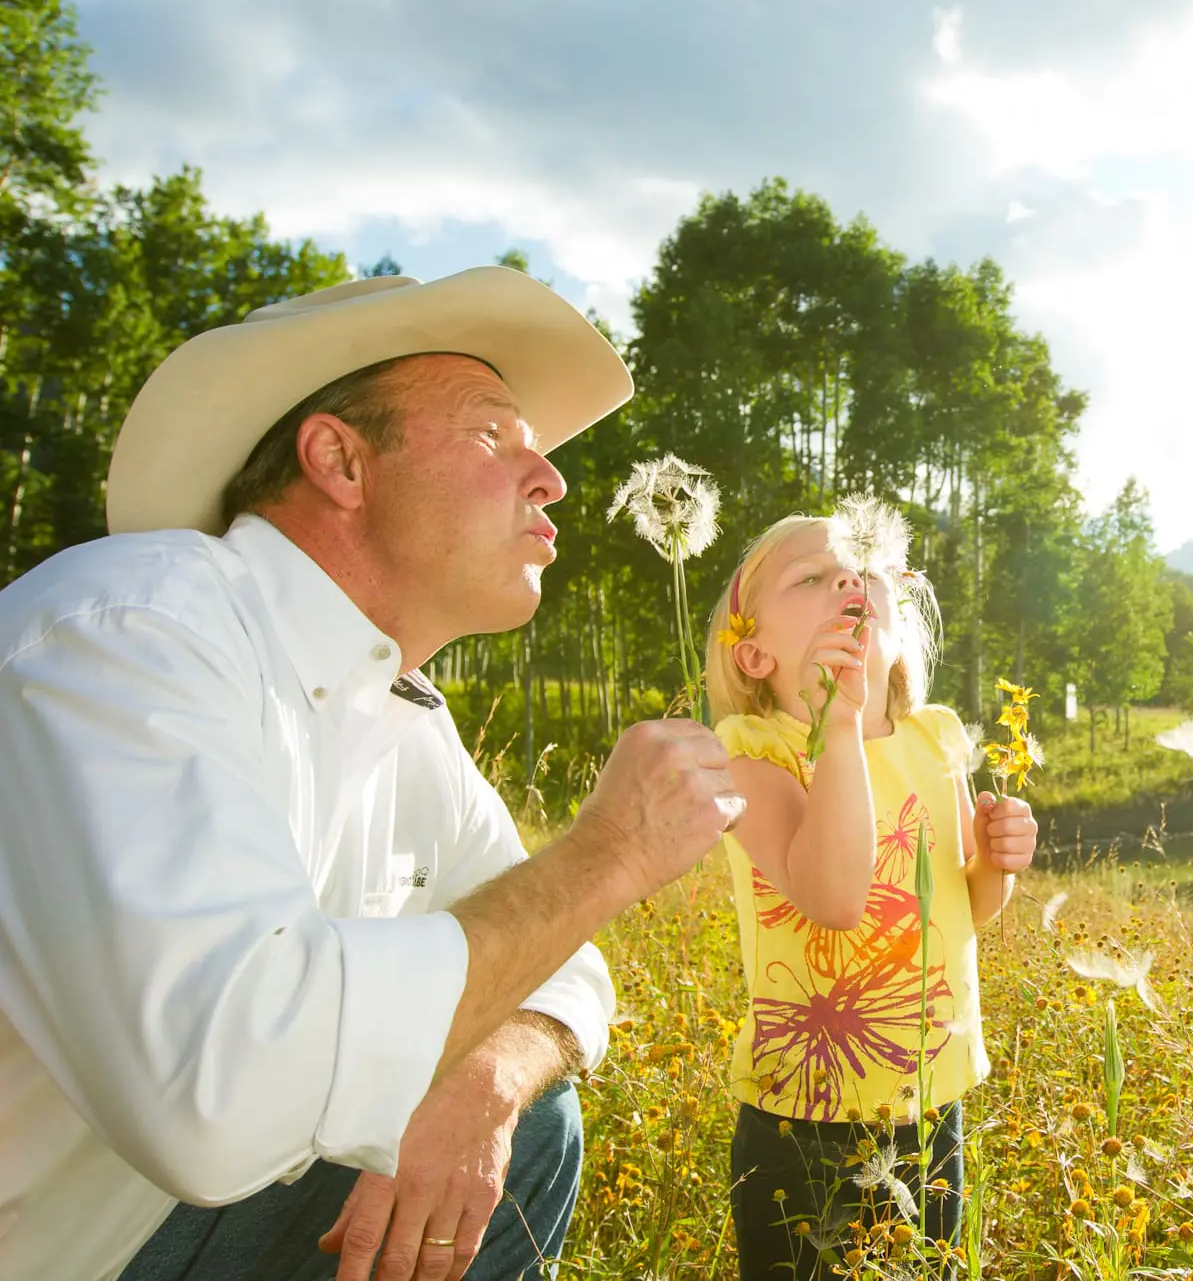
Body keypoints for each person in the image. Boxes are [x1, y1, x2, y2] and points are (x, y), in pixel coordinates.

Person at [0, 267, 741, 1281]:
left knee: (524, 1114)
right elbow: (221, 1104)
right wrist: (608, 852)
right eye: (494, 433)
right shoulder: (130, 633)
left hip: (170, 1227)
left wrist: (483, 1074)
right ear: (340, 460)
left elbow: (566, 973)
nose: (552, 477)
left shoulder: (395, 709)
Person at [700, 506, 1039, 1278]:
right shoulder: (754, 756)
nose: (850, 580)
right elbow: (834, 897)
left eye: (867, 571)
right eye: (812, 577)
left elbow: (965, 908)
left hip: (932, 1098)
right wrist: (839, 726)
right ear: (753, 654)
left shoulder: (934, 739)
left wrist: (998, 862)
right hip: (803, 1115)